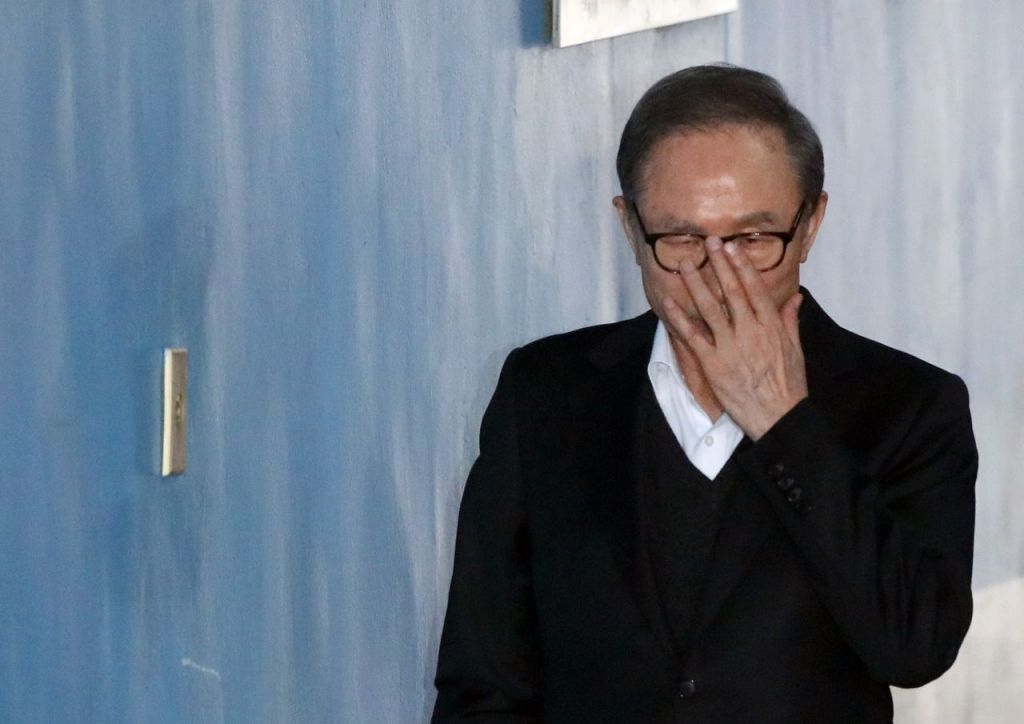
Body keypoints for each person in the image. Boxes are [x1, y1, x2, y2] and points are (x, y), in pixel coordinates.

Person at [431, 65, 977, 723]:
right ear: (630, 228)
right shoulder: (544, 393)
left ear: (810, 225)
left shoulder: (910, 407)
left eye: (753, 239)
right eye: (682, 239)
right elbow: (482, 684)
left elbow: (915, 647)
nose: (718, 274)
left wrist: (784, 423)